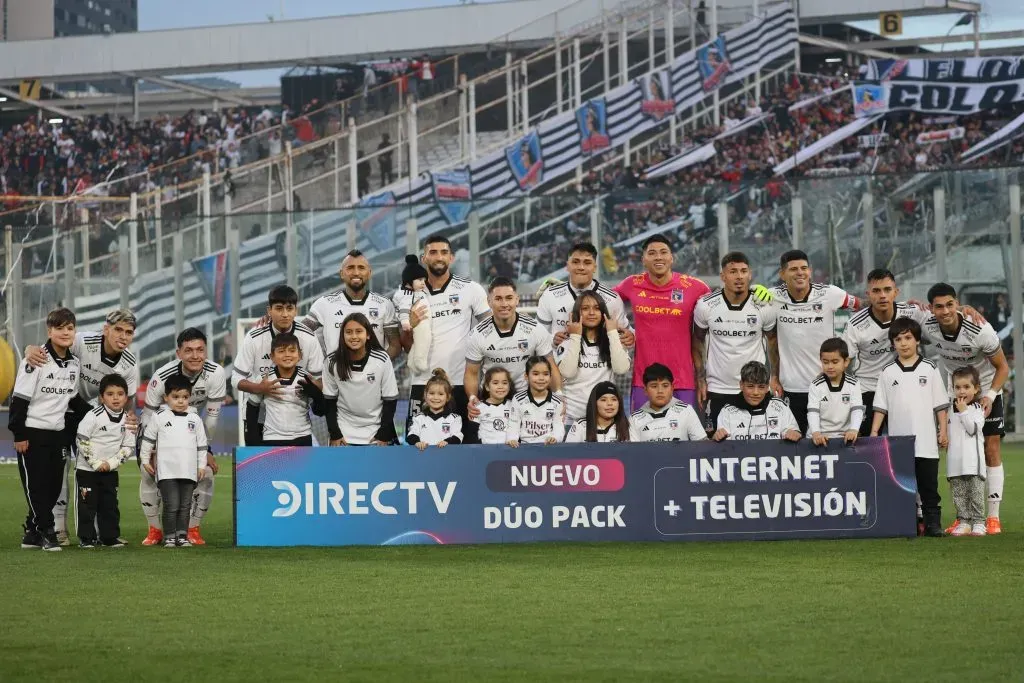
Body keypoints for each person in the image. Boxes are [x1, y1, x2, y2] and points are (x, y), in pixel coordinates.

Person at [23, 308, 140, 546]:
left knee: (93, 471)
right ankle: (57, 529)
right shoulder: (83, 341)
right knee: (60, 471)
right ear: (105, 329)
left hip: (93, 419)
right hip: (63, 412)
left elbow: (128, 400)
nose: (123, 336)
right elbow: (52, 345)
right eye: (118, 329)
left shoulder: (130, 363)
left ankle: (100, 532)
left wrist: (129, 418)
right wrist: (29, 349)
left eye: (129, 332)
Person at [921, 283, 1010, 535]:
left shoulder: (980, 329)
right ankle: (964, 517)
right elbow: (903, 311)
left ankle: (992, 517)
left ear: (957, 303)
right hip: (955, 393)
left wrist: (990, 395)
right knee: (956, 451)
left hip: (985, 390)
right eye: (939, 306)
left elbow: (1002, 367)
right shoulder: (927, 324)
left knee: (990, 447)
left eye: (950, 304)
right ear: (931, 308)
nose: (945, 311)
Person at [9, 308, 91, 552]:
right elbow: (19, 400)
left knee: (54, 486)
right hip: (32, 434)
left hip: (58, 434)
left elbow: (73, 400)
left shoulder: (74, 364)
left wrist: (99, 412)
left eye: (70, 328)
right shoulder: (35, 360)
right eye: (60, 328)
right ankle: (47, 532)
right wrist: (19, 434)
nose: (65, 332)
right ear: (49, 331)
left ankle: (31, 533)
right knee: (36, 487)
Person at [141, 328, 227, 547]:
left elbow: (213, 417)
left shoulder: (216, 373)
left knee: (206, 474)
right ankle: (155, 530)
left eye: (200, 350)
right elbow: (148, 418)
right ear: (178, 353)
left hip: (191, 432)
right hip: (163, 432)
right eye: (188, 350)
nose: (195, 355)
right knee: (148, 473)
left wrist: (206, 450)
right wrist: (150, 452)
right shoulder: (161, 376)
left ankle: (193, 529)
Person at [396, 234, 490, 435]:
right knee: (418, 448)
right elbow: (404, 345)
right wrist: (409, 325)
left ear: (451, 258)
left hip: (461, 383)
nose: (439, 257)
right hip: (423, 384)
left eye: (444, 252)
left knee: (468, 445)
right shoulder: (408, 294)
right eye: (433, 252)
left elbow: (490, 329)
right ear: (424, 258)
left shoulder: (470, 289)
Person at [870, 318, 949, 537]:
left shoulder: (930, 368)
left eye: (908, 338)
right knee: (904, 487)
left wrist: (943, 430)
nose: (903, 343)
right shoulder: (887, 372)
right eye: (898, 339)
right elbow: (881, 407)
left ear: (917, 341)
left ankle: (933, 524)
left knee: (928, 487)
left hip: (926, 442)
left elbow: (940, 405)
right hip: (899, 444)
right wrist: (875, 432)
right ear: (892, 343)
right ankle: (909, 523)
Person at [614, 234, 712, 411]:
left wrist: (753, 292)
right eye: (652, 253)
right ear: (644, 260)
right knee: (643, 437)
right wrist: (625, 330)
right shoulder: (631, 284)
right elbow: (600, 301)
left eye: (663, 252)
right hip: (644, 382)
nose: (658, 257)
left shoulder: (695, 287)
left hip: (682, 380)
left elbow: (723, 304)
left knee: (684, 437)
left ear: (671, 258)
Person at [769, 250, 859, 435]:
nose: (800, 273)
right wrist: (774, 375)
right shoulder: (771, 297)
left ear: (810, 271)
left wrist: (902, 304)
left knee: (827, 446)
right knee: (795, 445)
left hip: (826, 384)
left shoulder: (831, 294)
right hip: (792, 388)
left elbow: (864, 304)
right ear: (782, 274)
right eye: (793, 269)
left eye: (804, 268)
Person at [692, 251, 780, 427]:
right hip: (718, 388)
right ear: (723, 276)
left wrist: (775, 377)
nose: (739, 276)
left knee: (760, 443)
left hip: (755, 388)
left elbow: (773, 342)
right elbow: (697, 341)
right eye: (733, 272)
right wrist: (700, 379)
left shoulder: (764, 306)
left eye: (743, 271)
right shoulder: (706, 306)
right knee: (716, 446)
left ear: (750, 274)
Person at [841, 269, 930, 436]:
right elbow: (844, 362)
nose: (882, 295)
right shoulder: (855, 324)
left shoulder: (912, 312)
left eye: (887, 290)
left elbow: (943, 316)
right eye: (876, 291)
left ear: (896, 292)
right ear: (868, 294)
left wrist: (962, 307)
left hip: (903, 385)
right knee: (866, 445)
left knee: (908, 443)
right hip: (868, 388)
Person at [234, 285, 325, 442]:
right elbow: (236, 379)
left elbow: (321, 380)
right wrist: (259, 388)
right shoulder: (254, 337)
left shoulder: (308, 337)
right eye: (279, 308)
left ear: (296, 310)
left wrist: (312, 390)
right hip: (256, 416)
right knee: (259, 466)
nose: (285, 314)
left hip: (296, 424)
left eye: (289, 308)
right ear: (269, 311)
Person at [140, 375, 209, 548]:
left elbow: (202, 445)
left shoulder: (195, 419)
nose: (180, 401)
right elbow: (148, 440)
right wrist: (145, 459)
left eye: (185, 397)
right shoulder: (159, 417)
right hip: (167, 471)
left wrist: (201, 466)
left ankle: (182, 536)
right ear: (166, 398)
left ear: (190, 397)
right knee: (172, 505)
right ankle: (170, 537)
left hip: (189, 471)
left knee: (185, 506)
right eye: (175, 397)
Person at [465, 276, 561, 398]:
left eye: (509, 298)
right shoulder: (477, 335)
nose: (504, 304)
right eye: (498, 299)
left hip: (527, 399)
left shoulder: (535, 329)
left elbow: (551, 366)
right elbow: (471, 374)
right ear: (489, 302)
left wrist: (559, 394)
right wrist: (473, 398)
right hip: (491, 400)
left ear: (517, 300)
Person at [74, 374, 135, 548]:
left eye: (120, 393)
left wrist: (110, 464)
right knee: (87, 505)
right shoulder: (92, 416)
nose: (115, 398)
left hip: (110, 471)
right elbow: (81, 440)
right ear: (101, 397)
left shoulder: (129, 420)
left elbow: (128, 447)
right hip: (87, 470)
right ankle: (86, 538)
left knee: (110, 505)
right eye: (110, 394)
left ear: (126, 396)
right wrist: (95, 463)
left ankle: (109, 537)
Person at [305, 250, 401, 359]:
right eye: (350, 268)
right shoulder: (324, 304)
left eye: (361, 268)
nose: (356, 272)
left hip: (372, 375)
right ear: (342, 273)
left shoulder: (384, 304)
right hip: (336, 375)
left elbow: (395, 346)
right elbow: (300, 333)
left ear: (369, 273)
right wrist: (320, 367)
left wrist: (379, 367)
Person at [323, 313, 399, 446]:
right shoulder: (331, 361)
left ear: (368, 335)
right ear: (343, 336)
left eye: (359, 331)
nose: (353, 336)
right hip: (343, 434)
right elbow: (329, 401)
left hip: (375, 433)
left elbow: (390, 400)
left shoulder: (382, 359)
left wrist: (383, 434)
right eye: (348, 332)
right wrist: (335, 433)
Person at [555, 291, 630, 424]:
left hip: (603, 420)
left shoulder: (614, 341)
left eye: (596, 308)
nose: (591, 313)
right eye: (585, 308)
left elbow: (621, 369)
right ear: (577, 313)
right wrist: (575, 336)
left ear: (603, 313)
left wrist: (612, 332)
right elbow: (568, 372)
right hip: (571, 419)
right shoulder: (567, 342)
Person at [536, 242, 632, 345]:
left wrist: (630, 336)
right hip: (559, 360)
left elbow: (626, 335)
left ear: (595, 267)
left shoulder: (612, 299)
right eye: (576, 262)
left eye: (587, 263)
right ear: (567, 266)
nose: (581, 267)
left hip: (602, 360)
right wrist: (552, 340)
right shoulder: (550, 295)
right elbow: (537, 334)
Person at [244, 333, 326, 447]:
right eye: (281, 351)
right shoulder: (264, 378)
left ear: (300, 355)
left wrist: (316, 394)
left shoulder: (307, 379)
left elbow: (320, 411)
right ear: (272, 356)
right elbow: (252, 407)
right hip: (272, 438)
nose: (287, 355)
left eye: (292, 351)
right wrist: (253, 441)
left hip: (303, 438)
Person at [946, 366, 988, 537]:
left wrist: (963, 412)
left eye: (966, 387)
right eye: (958, 387)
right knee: (959, 494)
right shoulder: (949, 408)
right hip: (955, 461)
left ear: (976, 388)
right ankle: (964, 522)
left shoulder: (978, 409)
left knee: (975, 493)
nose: (961, 391)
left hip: (973, 463)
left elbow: (972, 429)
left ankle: (979, 522)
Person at [713, 361, 800, 442]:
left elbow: (794, 434)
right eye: (750, 386)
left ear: (767, 388)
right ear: (741, 385)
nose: (756, 393)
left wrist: (794, 434)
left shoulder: (780, 407)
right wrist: (717, 437)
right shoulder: (727, 411)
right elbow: (723, 450)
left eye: (761, 387)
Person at [628, 363, 707, 442]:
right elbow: (634, 453)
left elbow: (702, 447)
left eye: (665, 386)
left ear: (672, 388)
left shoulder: (686, 411)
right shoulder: (635, 419)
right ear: (645, 390)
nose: (660, 391)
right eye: (654, 386)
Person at [806, 338, 863, 446]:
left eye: (835, 362)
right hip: (820, 438)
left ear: (846, 362)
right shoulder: (816, 385)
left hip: (843, 438)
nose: (830, 366)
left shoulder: (854, 384)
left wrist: (854, 430)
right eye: (825, 362)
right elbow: (813, 412)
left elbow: (857, 410)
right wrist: (816, 433)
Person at [508, 356, 565, 446]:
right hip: (524, 448)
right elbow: (514, 423)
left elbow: (558, 426)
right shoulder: (518, 399)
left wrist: (555, 438)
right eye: (536, 374)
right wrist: (512, 439)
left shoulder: (557, 401)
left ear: (550, 376)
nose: (541, 378)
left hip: (549, 449)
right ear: (526, 376)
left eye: (546, 374)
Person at [406, 369, 463, 450]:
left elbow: (458, 437)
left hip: (446, 458)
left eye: (440, 394)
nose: (436, 398)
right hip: (423, 457)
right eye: (432, 393)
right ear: (425, 395)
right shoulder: (418, 418)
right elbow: (411, 435)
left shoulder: (455, 418)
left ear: (448, 397)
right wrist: (417, 442)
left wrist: (447, 442)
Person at [396, 254, 430, 373]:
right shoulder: (406, 295)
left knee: (420, 341)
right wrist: (406, 322)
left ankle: (412, 361)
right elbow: (403, 310)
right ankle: (420, 361)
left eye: (424, 280)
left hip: (418, 319)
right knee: (424, 339)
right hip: (416, 321)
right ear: (409, 281)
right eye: (420, 280)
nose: (423, 283)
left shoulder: (413, 292)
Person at [565, 381, 631, 443]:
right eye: (603, 400)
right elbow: (569, 452)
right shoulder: (581, 425)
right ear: (594, 403)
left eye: (614, 399)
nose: (610, 403)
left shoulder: (627, 426)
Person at [472, 366, 518, 445]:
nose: (500, 386)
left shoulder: (513, 406)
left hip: (509, 451)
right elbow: (472, 433)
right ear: (487, 387)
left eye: (504, 383)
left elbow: (517, 428)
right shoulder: (478, 407)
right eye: (495, 383)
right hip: (485, 451)